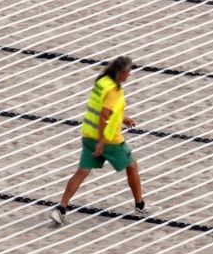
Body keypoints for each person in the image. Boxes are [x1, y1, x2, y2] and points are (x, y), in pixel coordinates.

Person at [50, 56, 159, 226]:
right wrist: (102, 143)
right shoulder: (114, 90)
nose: (129, 76)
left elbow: (104, 108)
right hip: (109, 139)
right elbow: (104, 116)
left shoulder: (102, 82)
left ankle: (60, 209)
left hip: (88, 135)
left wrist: (124, 117)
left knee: (82, 171)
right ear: (121, 72)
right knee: (132, 166)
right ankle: (140, 206)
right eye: (128, 73)